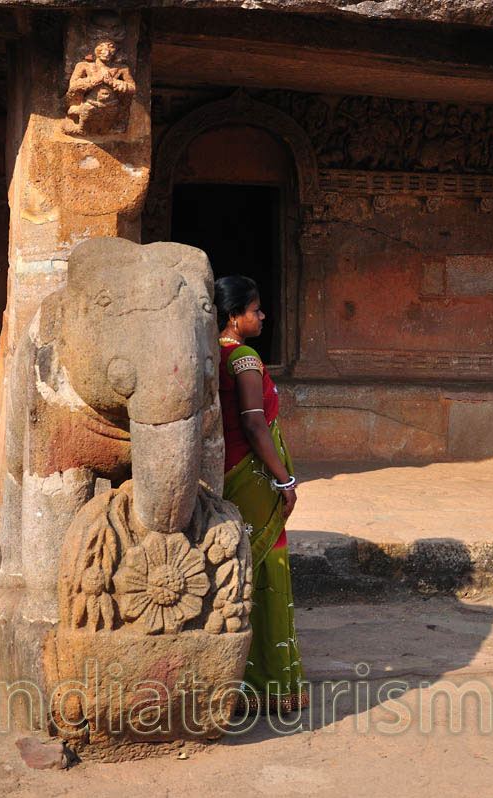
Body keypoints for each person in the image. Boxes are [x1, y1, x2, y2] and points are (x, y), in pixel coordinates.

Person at [214, 275, 308, 713]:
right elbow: (254, 424)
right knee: (268, 566)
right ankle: (268, 683)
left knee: (237, 569)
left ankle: (235, 677)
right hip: (253, 479)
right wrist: (284, 479)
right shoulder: (244, 358)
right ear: (234, 316)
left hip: (228, 473)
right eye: (254, 310)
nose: (262, 316)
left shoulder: (215, 355)